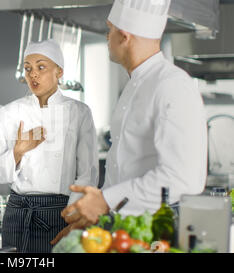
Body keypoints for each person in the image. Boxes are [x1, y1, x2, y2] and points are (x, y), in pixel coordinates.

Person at [51, 0, 207, 245]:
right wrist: (98, 217)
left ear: (124, 36)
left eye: (109, 29)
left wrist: (105, 200)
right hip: (126, 230)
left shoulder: (173, 84)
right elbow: (124, 169)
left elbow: (182, 178)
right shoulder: (135, 84)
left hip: (157, 231)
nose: (107, 37)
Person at [0, 39, 99, 253]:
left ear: (59, 71)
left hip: (59, 212)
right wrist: (17, 152)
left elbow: (87, 174)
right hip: (17, 212)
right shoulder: (11, 112)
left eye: (41, 67)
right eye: (28, 69)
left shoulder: (79, 112)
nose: (33, 74)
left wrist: (73, 216)